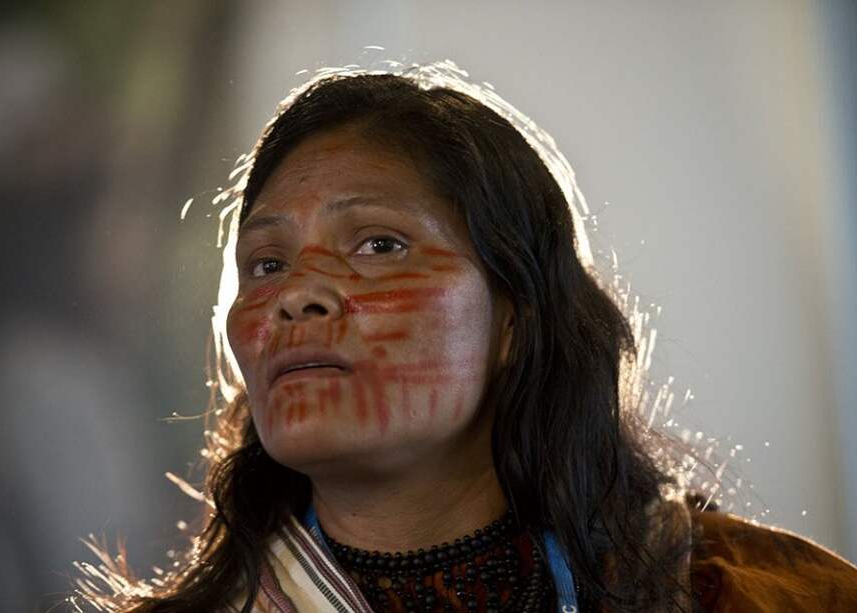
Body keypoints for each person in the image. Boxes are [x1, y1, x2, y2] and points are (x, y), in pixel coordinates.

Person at [72, 61, 857, 613]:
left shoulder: (767, 595)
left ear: (516, 315)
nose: (297, 294)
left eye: (379, 244)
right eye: (267, 261)